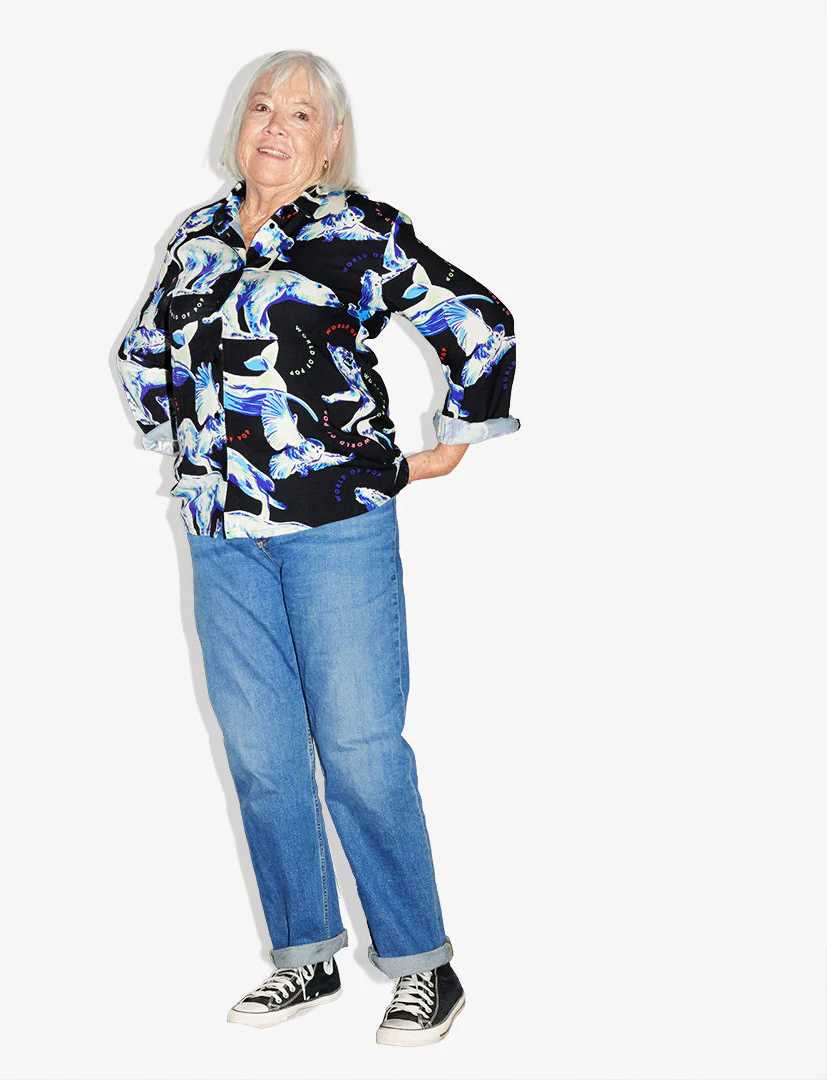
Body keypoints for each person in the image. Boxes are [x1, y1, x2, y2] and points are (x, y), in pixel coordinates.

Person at [115, 49, 520, 1047]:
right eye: (262, 107)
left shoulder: (356, 232)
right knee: (260, 756)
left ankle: (424, 967)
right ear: (239, 125)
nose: (276, 126)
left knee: (360, 750)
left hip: (337, 529)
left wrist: (451, 441)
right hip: (223, 538)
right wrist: (195, 448)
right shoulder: (198, 237)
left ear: (330, 141)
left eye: (301, 114)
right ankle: (305, 954)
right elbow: (143, 355)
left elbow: (479, 324)